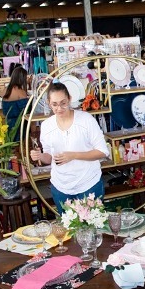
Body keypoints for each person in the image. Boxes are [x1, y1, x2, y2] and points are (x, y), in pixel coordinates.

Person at [30, 83, 109, 213]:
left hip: (88, 183)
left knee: (92, 228)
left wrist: (73, 155)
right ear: (48, 103)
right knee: (68, 229)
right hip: (61, 186)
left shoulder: (85, 120)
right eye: (54, 104)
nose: (59, 108)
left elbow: (102, 151)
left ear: (70, 99)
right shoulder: (46, 126)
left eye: (63, 103)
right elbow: (49, 157)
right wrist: (40, 156)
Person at [1, 67, 29, 141]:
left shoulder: (5, 90)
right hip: (18, 124)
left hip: (7, 122)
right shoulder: (20, 91)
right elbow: (26, 110)